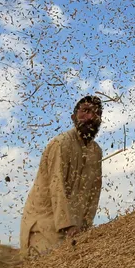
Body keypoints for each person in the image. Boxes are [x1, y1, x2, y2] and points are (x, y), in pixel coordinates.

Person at [19, 95, 104, 256]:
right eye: (85, 111)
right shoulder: (61, 143)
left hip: (75, 230)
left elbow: (94, 191)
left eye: (96, 113)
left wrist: (86, 225)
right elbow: (56, 186)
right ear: (73, 117)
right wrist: (69, 225)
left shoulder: (96, 151)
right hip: (45, 227)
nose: (91, 117)